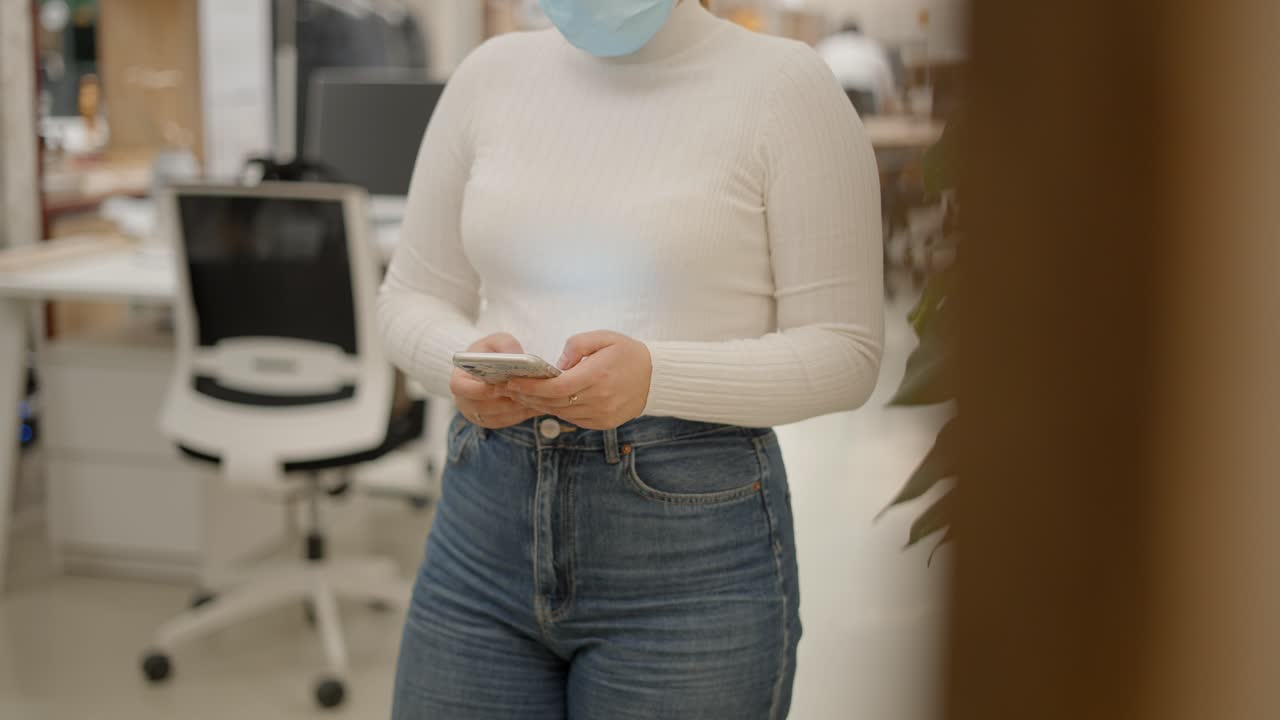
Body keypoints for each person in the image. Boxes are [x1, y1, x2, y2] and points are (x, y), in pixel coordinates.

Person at [378, 0, 883, 717]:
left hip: (691, 559)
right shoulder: (489, 76)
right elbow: (408, 297)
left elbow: (847, 350)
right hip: (480, 535)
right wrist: (456, 363)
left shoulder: (785, 88)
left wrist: (656, 378)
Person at [816, 20, 902, 114]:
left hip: (835, 91)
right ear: (860, 32)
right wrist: (889, 99)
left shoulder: (827, 45)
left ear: (839, 31)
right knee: (864, 123)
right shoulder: (871, 45)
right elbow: (886, 76)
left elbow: (814, 72)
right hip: (865, 91)